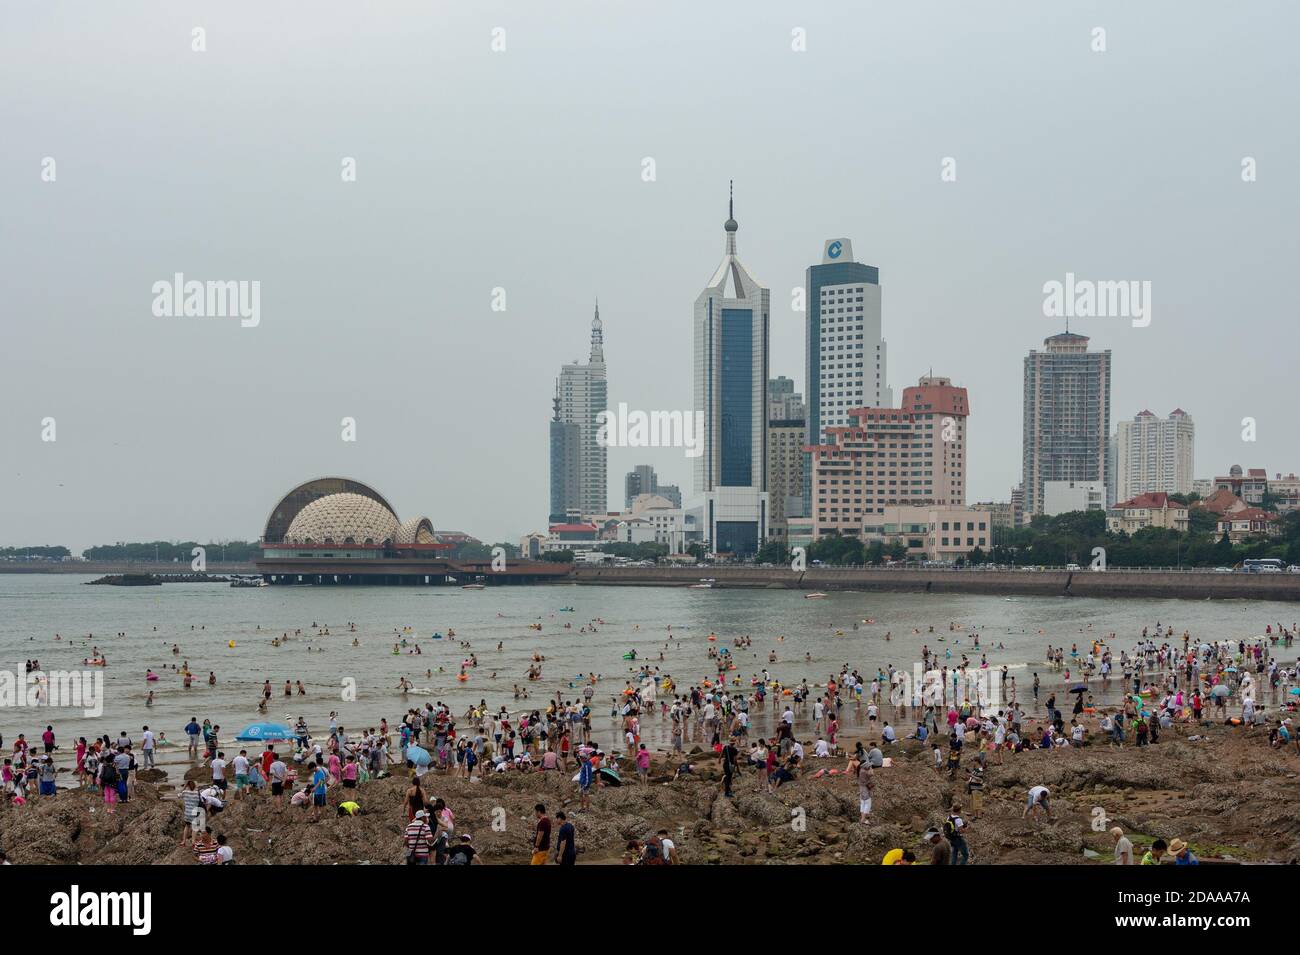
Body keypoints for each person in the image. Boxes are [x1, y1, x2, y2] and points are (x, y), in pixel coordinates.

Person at [857, 760, 875, 824]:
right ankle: (863, 819)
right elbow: (872, 773)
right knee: (867, 804)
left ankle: (863, 819)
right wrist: (871, 768)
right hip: (865, 789)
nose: (869, 766)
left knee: (863, 804)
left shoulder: (861, 770)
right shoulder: (864, 771)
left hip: (861, 789)